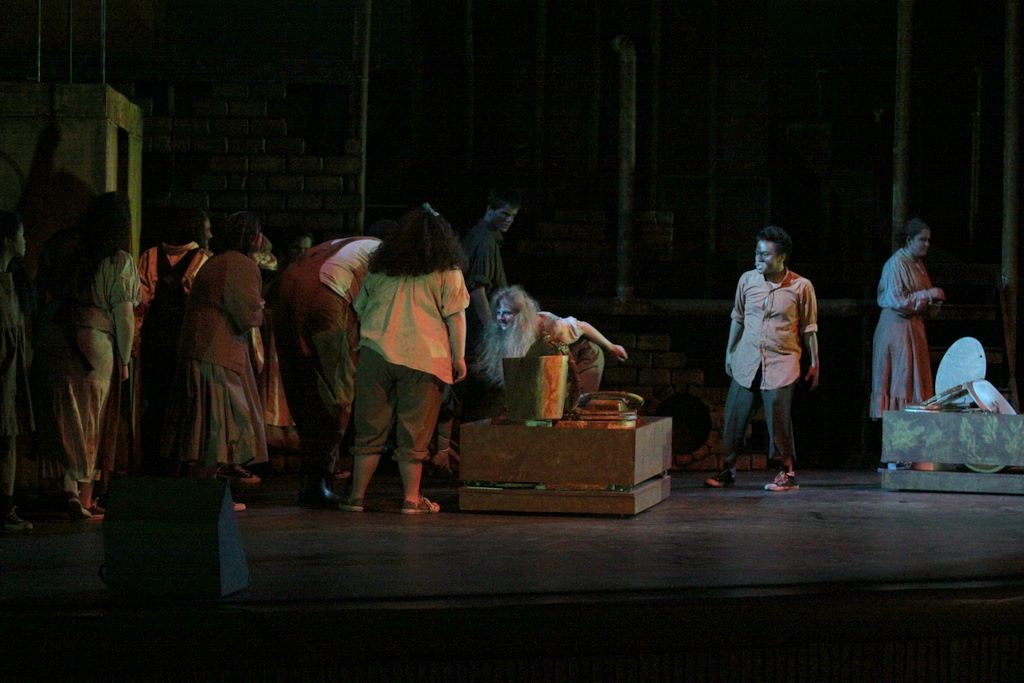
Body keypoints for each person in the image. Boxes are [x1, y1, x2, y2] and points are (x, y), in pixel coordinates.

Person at [342, 204, 469, 514]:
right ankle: (411, 500)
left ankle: (356, 497)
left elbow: (359, 310)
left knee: (369, 430)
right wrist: (459, 357)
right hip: (423, 358)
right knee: (414, 432)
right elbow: (456, 317)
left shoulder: (381, 270)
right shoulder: (448, 271)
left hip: (376, 354)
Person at [34, 193, 139, 518]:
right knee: (92, 419)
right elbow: (124, 316)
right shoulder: (117, 260)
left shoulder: (63, 248)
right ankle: (85, 494)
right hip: (94, 342)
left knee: (63, 417)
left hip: (55, 337)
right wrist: (124, 359)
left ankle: (67, 486)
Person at [705, 225, 819, 493]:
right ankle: (727, 469)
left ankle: (786, 472)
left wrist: (815, 362)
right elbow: (738, 317)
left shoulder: (801, 286)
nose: (759, 258)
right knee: (735, 415)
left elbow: (809, 328)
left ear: (782, 257)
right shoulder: (747, 280)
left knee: (778, 417)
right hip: (747, 358)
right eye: (757, 252)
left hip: (782, 360)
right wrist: (730, 351)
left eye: (765, 254)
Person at [161, 211, 267, 499]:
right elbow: (247, 314)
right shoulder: (241, 264)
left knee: (201, 431)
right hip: (216, 353)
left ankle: (203, 496)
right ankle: (206, 498)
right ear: (251, 237)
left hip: (201, 349)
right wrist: (261, 308)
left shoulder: (215, 261)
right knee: (214, 430)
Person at [275, 234, 381, 507]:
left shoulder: (353, 244)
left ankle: (314, 477)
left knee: (303, 383)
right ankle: (320, 478)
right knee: (337, 392)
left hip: (289, 285)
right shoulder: (386, 255)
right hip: (326, 295)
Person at [134, 209, 212, 473]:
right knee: (182, 404)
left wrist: (135, 339)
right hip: (183, 343)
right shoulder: (202, 259)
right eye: (207, 229)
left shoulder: (150, 255)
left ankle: (151, 461)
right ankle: (176, 462)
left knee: (154, 402)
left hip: (153, 341)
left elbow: (140, 303)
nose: (210, 234)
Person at [475, 285, 629, 411]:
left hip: (581, 359)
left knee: (574, 405)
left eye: (506, 313)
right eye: (498, 313)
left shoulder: (550, 325)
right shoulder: (506, 333)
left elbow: (583, 326)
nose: (500, 318)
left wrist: (611, 347)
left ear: (521, 315)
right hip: (552, 367)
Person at [870, 218, 945, 417]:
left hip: (913, 328)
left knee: (913, 379)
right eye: (922, 240)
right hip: (897, 329)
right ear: (909, 240)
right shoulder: (896, 264)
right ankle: (898, 422)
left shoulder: (918, 265)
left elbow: (922, 297)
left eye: (928, 240)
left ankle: (912, 424)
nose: (926, 244)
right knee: (900, 378)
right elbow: (897, 300)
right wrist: (928, 295)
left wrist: (933, 304)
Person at [0, 211, 34, 531]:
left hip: (10, 368)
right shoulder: (10, 282)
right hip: (6, 367)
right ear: (9, 239)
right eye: (21, 235)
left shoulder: (16, 279)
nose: (25, 241)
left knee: (8, 438)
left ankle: (6, 507)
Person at [462, 189, 520, 352]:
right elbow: (477, 290)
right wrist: (491, 332)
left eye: (513, 216)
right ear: (490, 209)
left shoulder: (479, 234)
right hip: (477, 328)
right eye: (505, 214)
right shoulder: (485, 241)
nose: (509, 220)